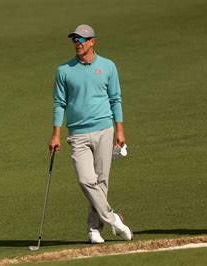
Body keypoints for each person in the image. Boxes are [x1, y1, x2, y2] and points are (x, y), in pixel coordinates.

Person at [48, 24, 133, 244]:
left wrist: (120, 130)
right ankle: (113, 218)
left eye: (82, 40)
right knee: (86, 180)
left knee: (101, 181)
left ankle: (94, 228)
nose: (78, 44)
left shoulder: (107, 66)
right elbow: (59, 103)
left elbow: (116, 99)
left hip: (105, 130)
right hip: (77, 134)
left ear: (92, 41)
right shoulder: (64, 70)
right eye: (75, 40)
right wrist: (56, 134)